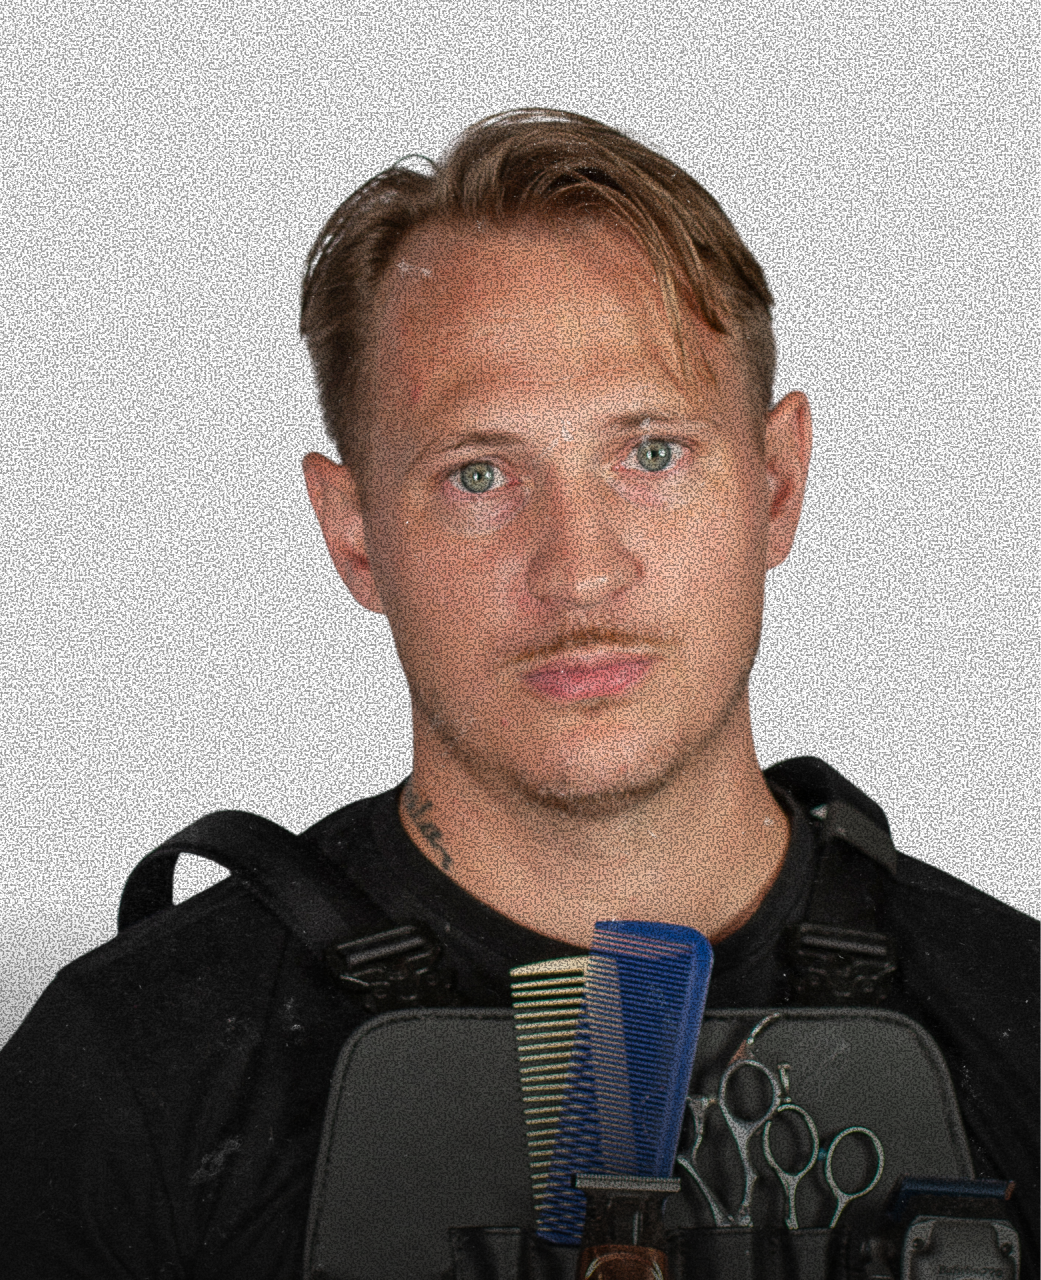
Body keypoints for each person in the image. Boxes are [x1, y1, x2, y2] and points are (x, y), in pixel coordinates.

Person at [1, 106, 1039, 1279]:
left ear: (777, 484)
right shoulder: (128, 1079)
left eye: (651, 452)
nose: (579, 569)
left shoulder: (1019, 1023)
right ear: (354, 532)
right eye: (480, 473)